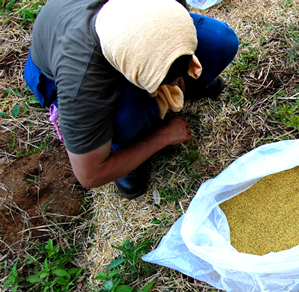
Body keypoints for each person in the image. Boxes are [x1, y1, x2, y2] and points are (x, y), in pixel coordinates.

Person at [24, 0, 239, 199]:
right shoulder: (82, 82)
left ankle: (179, 83)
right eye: (159, 81)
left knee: (220, 40)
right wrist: (162, 137)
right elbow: (89, 174)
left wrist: (177, 70)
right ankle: (125, 146)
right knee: (130, 113)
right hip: (67, 64)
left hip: (128, 25)